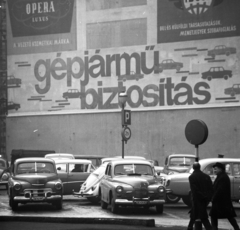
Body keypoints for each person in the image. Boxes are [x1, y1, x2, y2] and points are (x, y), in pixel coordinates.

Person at [209, 162, 240, 230]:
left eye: (216, 169)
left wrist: (213, 198)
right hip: (222, 202)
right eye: (214, 169)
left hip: (221, 201)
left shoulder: (222, 177)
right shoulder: (221, 176)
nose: (214, 170)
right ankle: (236, 228)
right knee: (228, 216)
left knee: (216, 216)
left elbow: (219, 190)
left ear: (220, 169)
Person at [187, 162, 213, 230]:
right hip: (204, 200)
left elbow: (194, 190)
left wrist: (201, 196)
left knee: (197, 216)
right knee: (200, 216)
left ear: (193, 168)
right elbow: (210, 188)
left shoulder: (192, 177)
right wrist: (207, 198)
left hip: (197, 200)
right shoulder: (206, 176)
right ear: (199, 167)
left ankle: (191, 227)